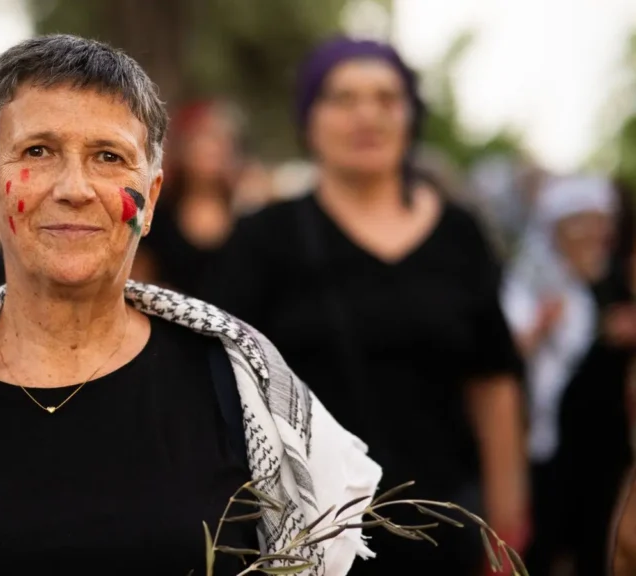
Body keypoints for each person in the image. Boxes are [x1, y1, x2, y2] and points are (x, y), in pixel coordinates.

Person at [0, 35, 383, 576]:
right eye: (37, 152)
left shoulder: (240, 383)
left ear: (152, 194)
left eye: (108, 157)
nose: (75, 188)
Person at [204, 37, 529, 576]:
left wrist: (506, 530)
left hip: (447, 531)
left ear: (410, 115)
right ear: (309, 118)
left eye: (386, 98)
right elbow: (223, 386)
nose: (367, 115)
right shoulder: (265, 238)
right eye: (343, 98)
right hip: (309, 541)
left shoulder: (458, 234)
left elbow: (494, 386)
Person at [501, 174, 627, 575]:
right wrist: (541, 327)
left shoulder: (614, 279)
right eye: (582, 222)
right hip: (547, 439)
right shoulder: (532, 281)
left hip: (606, 437)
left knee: (599, 535)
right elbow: (507, 351)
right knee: (545, 536)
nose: (593, 233)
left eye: (599, 222)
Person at [133, 99, 242, 293]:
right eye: (200, 140)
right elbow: (140, 279)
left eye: (216, 141)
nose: (208, 150)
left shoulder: (246, 215)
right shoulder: (156, 214)